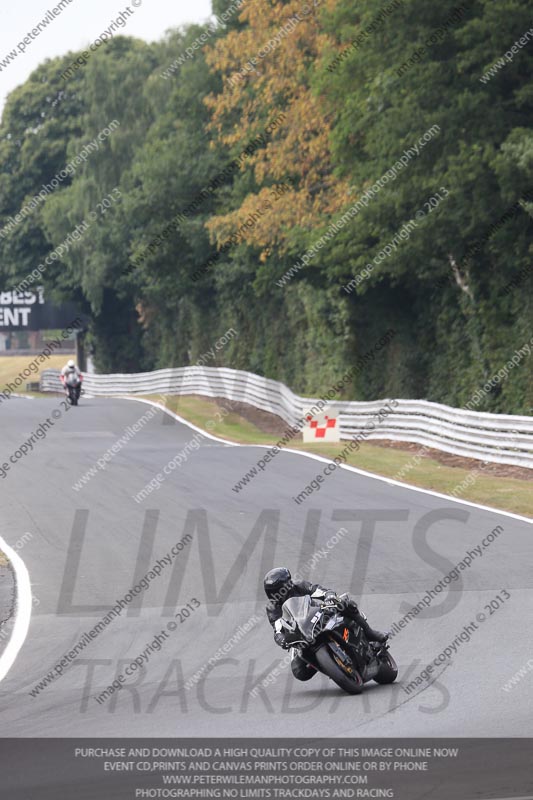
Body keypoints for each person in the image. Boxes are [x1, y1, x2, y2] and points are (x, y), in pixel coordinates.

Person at [264, 567, 388, 681]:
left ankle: (370, 633)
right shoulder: (272, 607)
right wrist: (281, 640)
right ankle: (327, 664)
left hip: (316, 613)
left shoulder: (299, 585)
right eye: (273, 591)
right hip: (299, 634)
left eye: (280, 588)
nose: (277, 593)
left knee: (344, 602)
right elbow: (277, 628)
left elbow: (318, 590)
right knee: (299, 672)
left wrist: (328, 596)